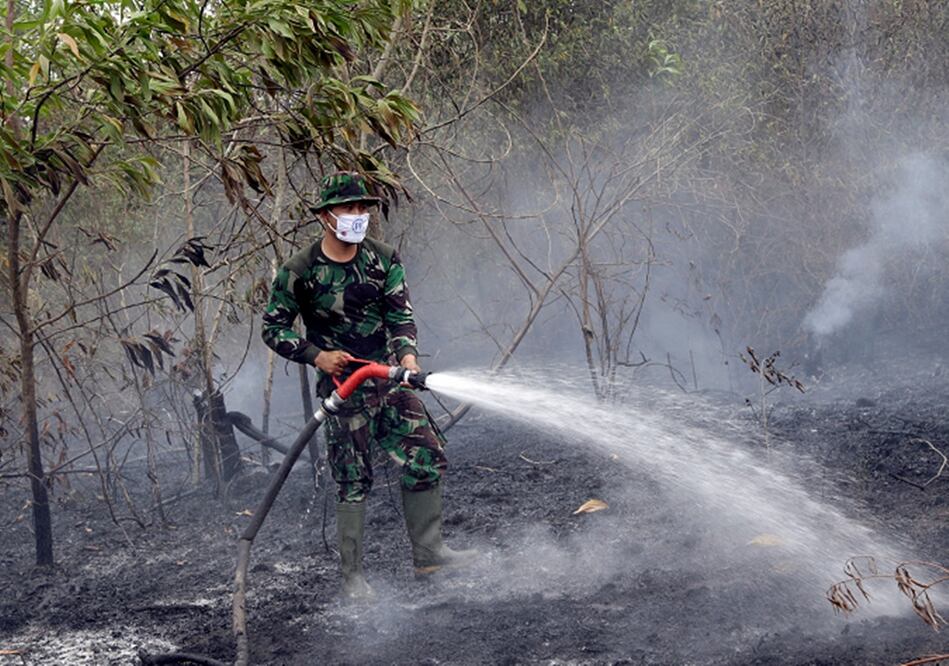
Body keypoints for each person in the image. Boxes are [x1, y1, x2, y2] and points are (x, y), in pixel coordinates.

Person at [261, 171, 476, 601]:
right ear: (325, 215)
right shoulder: (299, 271)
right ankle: (353, 579)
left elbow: (400, 316)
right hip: (342, 391)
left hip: (388, 381)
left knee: (427, 453)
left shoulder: (382, 258)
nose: (357, 215)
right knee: (352, 477)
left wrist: (408, 359)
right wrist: (317, 356)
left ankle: (429, 553)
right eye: (348, 208)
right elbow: (274, 328)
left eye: (363, 208)